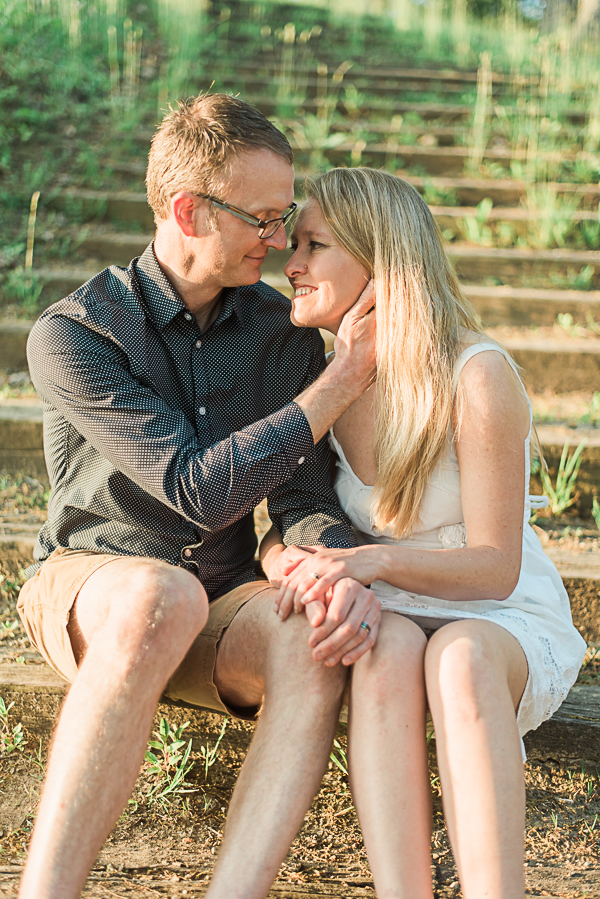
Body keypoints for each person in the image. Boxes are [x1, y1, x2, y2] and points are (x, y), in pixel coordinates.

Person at [16, 96, 381, 899]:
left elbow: (301, 499)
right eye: (261, 217)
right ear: (187, 209)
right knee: (157, 594)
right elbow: (196, 489)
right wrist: (340, 382)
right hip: (96, 580)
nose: (281, 240)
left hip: (218, 599)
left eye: (286, 217)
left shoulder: (279, 331)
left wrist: (335, 564)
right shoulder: (77, 334)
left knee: (311, 640)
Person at [262, 167, 587, 899]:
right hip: (397, 605)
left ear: (380, 262)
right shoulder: (319, 381)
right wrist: (289, 559)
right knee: (387, 651)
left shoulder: (475, 375)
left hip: (496, 615)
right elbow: (286, 513)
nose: (292, 263)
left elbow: (496, 566)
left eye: (314, 245)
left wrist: (369, 559)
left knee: (461, 659)